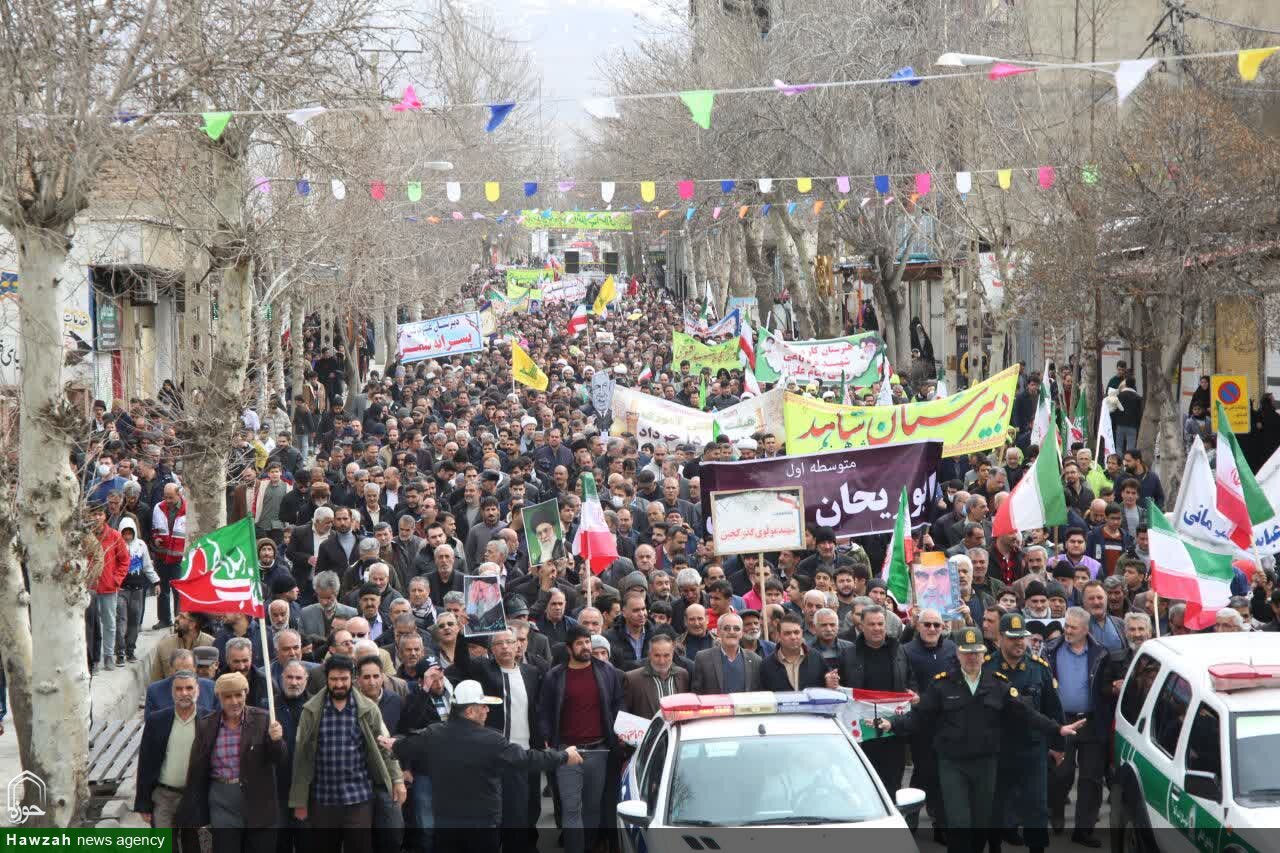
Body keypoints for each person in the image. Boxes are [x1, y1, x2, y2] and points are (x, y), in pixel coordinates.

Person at [877, 628, 1086, 853]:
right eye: (966, 653)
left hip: (986, 763)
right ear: (957, 654)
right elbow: (920, 715)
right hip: (953, 763)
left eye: (976, 652)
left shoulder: (997, 683)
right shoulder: (942, 684)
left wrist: (1058, 729)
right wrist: (893, 724)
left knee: (981, 822)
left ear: (983, 653)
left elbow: (1026, 714)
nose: (972, 658)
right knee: (959, 821)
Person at [382, 680, 581, 853]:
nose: (487, 710)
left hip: (445, 822)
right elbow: (527, 759)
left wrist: (392, 744)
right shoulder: (491, 740)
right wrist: (564, 756)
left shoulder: (433, 734)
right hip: (482, 823)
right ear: (469, 711)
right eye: (483, 706)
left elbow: (404, 746)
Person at [290, 656, 407, 853]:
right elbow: (302, 757)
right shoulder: (311, 711)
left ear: (352, 679)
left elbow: (385, 747)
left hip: (358, 797)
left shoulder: (368, 709)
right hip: (322, 798)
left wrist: (397, 779)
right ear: (327, 679)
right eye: (334, 679)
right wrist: (299, 800)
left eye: (343, 679)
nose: (339, 684)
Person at [537, 625, 624, 853]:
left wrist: (620, 733)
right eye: (580, 643)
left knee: (592, 809)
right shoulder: (555, 676)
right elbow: (544, 710)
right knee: (571, 809)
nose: (586, 647)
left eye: (587, 642)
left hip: (599, 751)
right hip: (568, 752)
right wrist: (546, 737)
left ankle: (588, 847)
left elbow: (617, 705)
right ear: (569, 648)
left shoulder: (607, 672)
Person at [176, 672, 286, 853]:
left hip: (258, 803)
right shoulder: (206, 725)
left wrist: (277, 741)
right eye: (227, 697)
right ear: (219, 697)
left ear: (246, 694)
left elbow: (279, 758)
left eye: (238, 695)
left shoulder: (263, 719)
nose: (234, 701)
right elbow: (197, 768)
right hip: (222, 802)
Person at [984, 613, 1063, 853]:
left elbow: (1053, 709)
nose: (1019, 643)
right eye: (1012, 638)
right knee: (995, 805)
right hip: (998, 750)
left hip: (1032, 750)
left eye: (1023, 638)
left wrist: (1058, 746)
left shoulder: (1039, 669)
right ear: (1000, 638)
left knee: (1036, 807)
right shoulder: (987, 668)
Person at [1043, 607, 1109, 846]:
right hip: (1062, 721)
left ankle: (1084, 830)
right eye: (1066, 625)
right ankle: (1056, 809)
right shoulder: (1050, 650)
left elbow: (1104, 688)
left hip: (1091, 722)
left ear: (1086, 630)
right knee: (1061, 773)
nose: (1067, 631)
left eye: (1073, 627)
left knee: (1091, 779)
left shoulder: (1100, 653)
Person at [834, 604, 915, 793]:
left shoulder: (899, 651)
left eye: (880, 624)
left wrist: (914, 693)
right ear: (861, 626)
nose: (877, 628)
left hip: (893, 732)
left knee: (893, 784)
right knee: (864, 785)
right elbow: (841, 691)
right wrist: (832, 685)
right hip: (862, 733)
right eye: (872, 624)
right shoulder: (848, 654)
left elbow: (911, 680)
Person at [134, 669, 204, 853]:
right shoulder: (157, 720)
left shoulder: (209, 719)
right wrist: (143, 802)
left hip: (193, 796)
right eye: (179, 689)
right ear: (172, 692)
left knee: (192, 845)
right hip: (163, 796)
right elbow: (146, 763)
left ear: (198, 690)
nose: (184, 693)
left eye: (189, 688)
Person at [622, 631, 689, 719]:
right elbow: (625, 715)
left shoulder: (683, 675)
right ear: (649, 655)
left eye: (666, 655)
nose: (662, 661)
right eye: (657, 655)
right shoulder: (632, 679)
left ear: (672, 654)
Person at [691, 612, 762, 693]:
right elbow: (697, 694)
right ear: (718, 632)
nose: (731, 632)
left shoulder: (755, 660)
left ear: (741, 633)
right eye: (726, 628)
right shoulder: (702, 658)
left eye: (736, 629)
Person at [761, 613, 829, 691]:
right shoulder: (767, 665)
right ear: (779, 636)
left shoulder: (816, 658)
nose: (793, 637)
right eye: (787, 633)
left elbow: (825, 687)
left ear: (802, 633)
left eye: (796, 632)